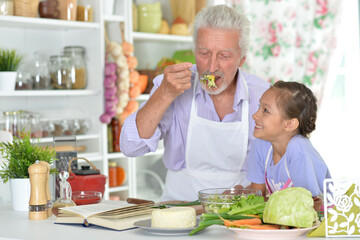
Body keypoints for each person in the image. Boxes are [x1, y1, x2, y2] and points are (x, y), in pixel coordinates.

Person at [120, 5, 270, 201]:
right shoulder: (170, 86)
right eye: (204, 53)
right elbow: (131, 147)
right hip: (177, 210)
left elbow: (282, 161)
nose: (211, 66)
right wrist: (164, 94)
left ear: (242, 59)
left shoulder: (263, 95)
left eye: (224, 56)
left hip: (240, 216)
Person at [247, 80, 331, 206]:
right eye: (259, 107)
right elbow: (256, 197)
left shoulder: (299, 150)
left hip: (321, 220)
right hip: (289, 219)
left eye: (265, 110)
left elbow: (307, 204)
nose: (254, 115)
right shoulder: (260, 145)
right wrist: (239, 196)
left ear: (289, 124)